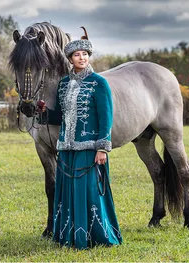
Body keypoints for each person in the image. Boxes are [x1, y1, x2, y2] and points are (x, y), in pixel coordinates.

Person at [39, 27, 122, 249]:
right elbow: (61, 116)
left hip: (90, 148)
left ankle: (96, 236)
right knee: (68, 193)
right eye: (77, 55)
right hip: (66, 148)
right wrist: (44, 111)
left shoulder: (99, 83)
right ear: (70, 59)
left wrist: (102, 148)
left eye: (85, 54)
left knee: (91, 192)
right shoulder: (64, 84)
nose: (82, 58)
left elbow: (107, 118)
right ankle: (70, 235)